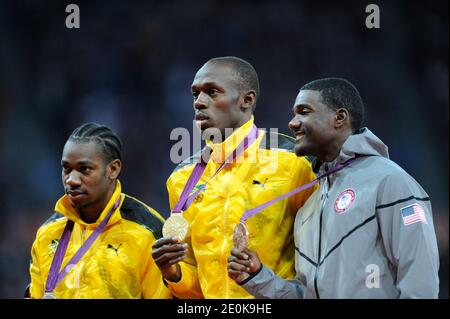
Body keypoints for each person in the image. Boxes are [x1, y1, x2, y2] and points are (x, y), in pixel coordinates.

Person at [228, 77, 440, 298]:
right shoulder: (308, 208)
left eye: (304, 111)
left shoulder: (389, 181)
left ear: (339, 118)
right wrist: (258, 276)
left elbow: (419, 279)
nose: (292, 123)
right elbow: (307, 294)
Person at [151, 56, 317, 298]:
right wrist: (174, 272)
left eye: (212, 92)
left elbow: (322, 262)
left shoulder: (296, 162)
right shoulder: (182, 178)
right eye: (195, 94)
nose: (199, 102)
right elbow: (196, 283)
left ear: (246, 100)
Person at [27, 123, 172, 299]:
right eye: (66, 169)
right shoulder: (47, 234)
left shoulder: (148, 231)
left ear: (113, 169)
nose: (71, 180)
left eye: (84, 169)